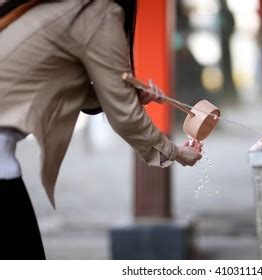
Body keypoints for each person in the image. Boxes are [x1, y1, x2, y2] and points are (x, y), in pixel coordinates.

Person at [0, 0, 202, 260]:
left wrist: (121, 96)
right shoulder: (99, 10)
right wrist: (175, 152)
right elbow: (125, 115)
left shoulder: (68, 6)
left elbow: (65, 85)